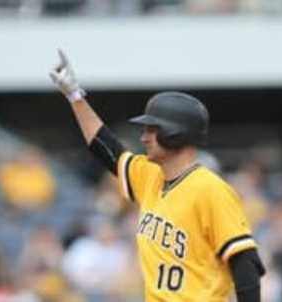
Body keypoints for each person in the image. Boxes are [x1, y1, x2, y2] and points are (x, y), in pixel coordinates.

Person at [49, 49, 265, 301]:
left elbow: (245, 262)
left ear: (175, 132)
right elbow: (107, 150)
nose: (144, 137)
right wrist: (75, 96)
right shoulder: (151, 176)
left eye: (152, 129)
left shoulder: (210, 189)